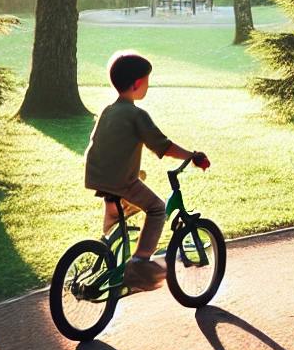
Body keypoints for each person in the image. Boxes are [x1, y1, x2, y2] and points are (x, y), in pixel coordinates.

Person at [84, 51, 210, 292]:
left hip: (97, 176)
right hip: (120, 180)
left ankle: (110, 240)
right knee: (157, 208)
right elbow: (163, 146)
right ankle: (140, 262)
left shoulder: (108, 110)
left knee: (135, 183)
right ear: (138, 83)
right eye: (147, 81)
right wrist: (192, 156)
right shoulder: (136, 114)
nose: (148, 86)